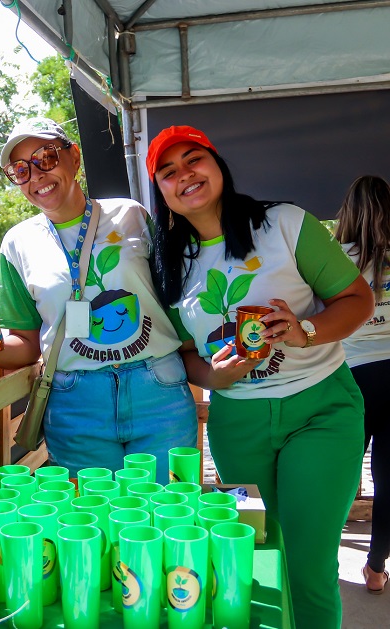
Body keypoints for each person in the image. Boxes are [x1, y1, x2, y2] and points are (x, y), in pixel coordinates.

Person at [147, 125, 374, 627]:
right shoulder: (168, 264)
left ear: (217, 164)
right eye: (168, 171)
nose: (185, 175)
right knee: (258, 559)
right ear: (160, 193)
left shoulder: (285, 223)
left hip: (321, 411)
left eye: (194, 159)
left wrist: (305, 330)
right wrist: (215, 377)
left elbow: (359, 299)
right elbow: (186, 353)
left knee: (309, 563)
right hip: (238, 424)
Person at [0, 117, 198, 482]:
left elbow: (175, 304)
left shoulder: (132, 215)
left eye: (46, 158)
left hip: (158, 391)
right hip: (76, 403)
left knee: (165, 520)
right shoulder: (17, 244)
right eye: (20, 170)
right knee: (92, 527)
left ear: (74, 157)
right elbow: (24, 341)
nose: (36, 175)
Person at [336, 175, 390, 595]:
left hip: (352, 374)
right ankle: (375, 569)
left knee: (338, 471)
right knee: (388, 477)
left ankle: (323, 555)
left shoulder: (335, 259)